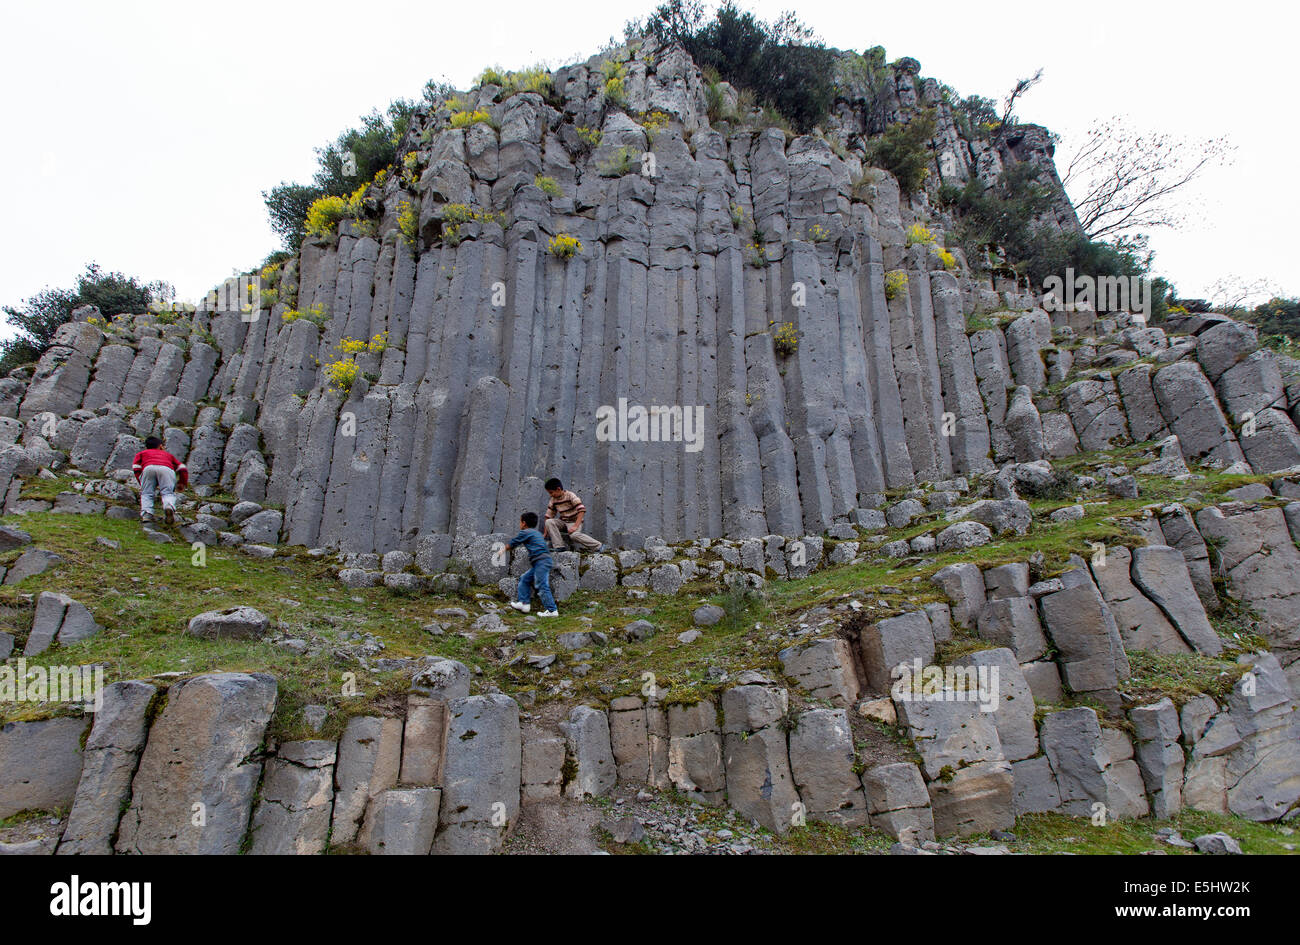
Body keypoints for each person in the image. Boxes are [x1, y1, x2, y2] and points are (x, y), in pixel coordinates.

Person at [508, 511, 559, 617]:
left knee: (542, 585)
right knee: (525, 578)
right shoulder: (537, 534)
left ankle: (552, 610)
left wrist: (502, 549)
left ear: (524, 523)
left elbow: (513, 543)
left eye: (520, 521)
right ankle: (524, 604)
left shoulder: (525, 532)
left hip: (541, 562)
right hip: (544, 561)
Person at [131, 436, 188, 524]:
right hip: (167, 468)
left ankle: (147, 514)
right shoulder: (168, 455)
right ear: (160, 446)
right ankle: (168, 506)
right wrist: (182, 482)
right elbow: (182, 468)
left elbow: (136, 467)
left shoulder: (142, 453)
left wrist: (141, 482)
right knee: (167, 493)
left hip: (148, 467)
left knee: (147, 493)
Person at [542, 477, 603, 553]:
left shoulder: (570, 495)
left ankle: (599, 546)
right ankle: (559, 546)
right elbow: (548, 516)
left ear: (558, 489)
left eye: (551, 492)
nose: (551, 495)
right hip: (563, 522)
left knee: (574, 536)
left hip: (574, 522)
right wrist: (545, 533)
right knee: (549, 522)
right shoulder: (553, 500)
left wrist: (575, 526)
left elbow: (582, 510)